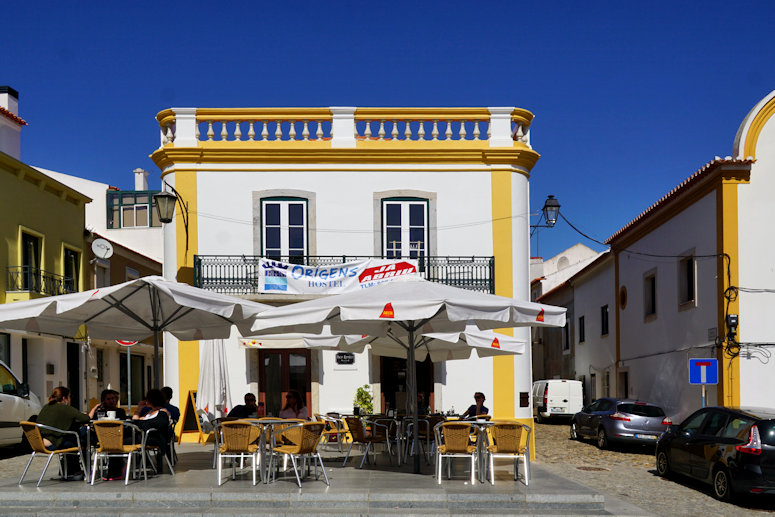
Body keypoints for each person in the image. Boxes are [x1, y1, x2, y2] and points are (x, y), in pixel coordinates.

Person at [36, 386, 89, 480]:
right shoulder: (65, 408)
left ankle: (70, 470)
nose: (70, 400)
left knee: (73, 437)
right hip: (54, 444)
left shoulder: (46, 407)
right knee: (82, 439)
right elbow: (86, 419)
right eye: (69, 397)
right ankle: (82, 471)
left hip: (40, 443)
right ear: (64, 398)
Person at [132, 388, 171, 473]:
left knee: (125, 440)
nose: (145, 401)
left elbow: (157, 424)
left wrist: (141, 423)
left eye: (147, 399)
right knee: (121, 439)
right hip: (144, 437)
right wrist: (139, 409)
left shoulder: (163, 412)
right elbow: (135, 421)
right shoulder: (150, 412)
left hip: (155, 439)